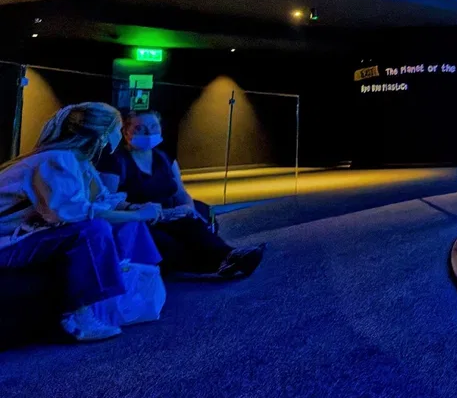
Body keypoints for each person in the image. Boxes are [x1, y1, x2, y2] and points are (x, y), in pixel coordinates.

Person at [0, 102, 161, 341]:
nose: (120, 135)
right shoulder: (57, 160)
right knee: (93, 229)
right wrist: (138, 215)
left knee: (120, 224)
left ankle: (132, 291)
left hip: (20, 236)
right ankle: (78, 316)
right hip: (5, 242)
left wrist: (135, 210)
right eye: (118, 129)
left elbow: (100, 200)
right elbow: (75, 213)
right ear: (103, 134)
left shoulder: (78, 162)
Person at [99, 111, 264, 280]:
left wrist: (188, 208)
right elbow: (108, 202)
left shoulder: (164, 158)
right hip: (141, 220)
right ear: (126, 132)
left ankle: (230, 256)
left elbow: (180, 192)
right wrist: (142, 210)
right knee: (168, 244)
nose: (149, 133)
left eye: (154, 126)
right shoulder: (115, 162)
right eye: (140, 128)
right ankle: (222, 263)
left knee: (193, 226)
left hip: (170, 215)